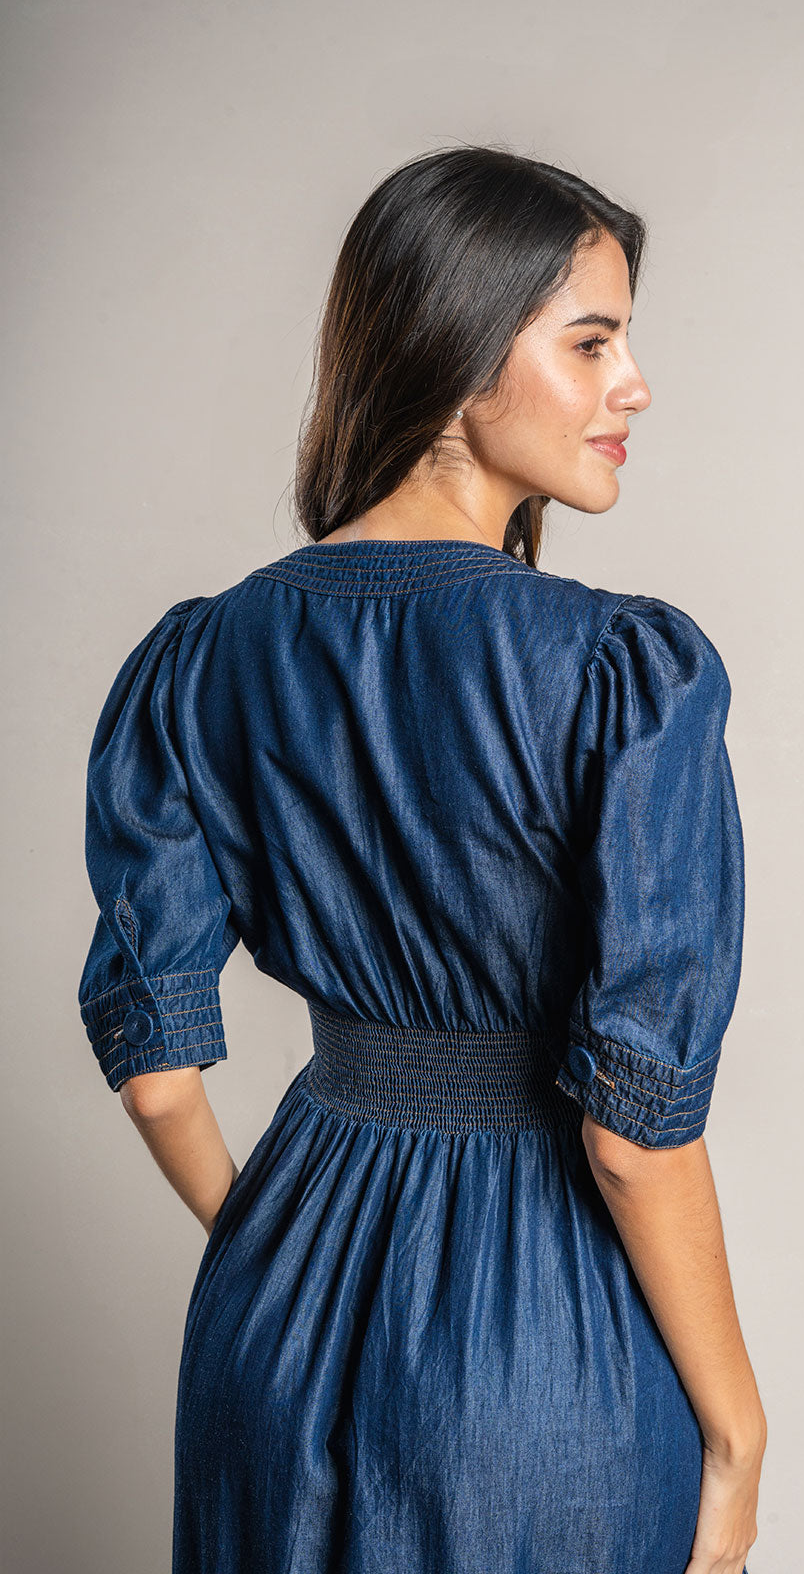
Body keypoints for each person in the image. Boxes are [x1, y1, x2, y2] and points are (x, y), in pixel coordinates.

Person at [77, 144, 767, 1574]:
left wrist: (274, 1250)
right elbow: (632, 1136)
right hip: (539, 1339)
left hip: (276, 1310)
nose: (634, 386)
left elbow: (157, 1075)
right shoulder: (619, 673)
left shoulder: (202, 657)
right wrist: (736, 1431)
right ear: (458, 358)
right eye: (592, 343)